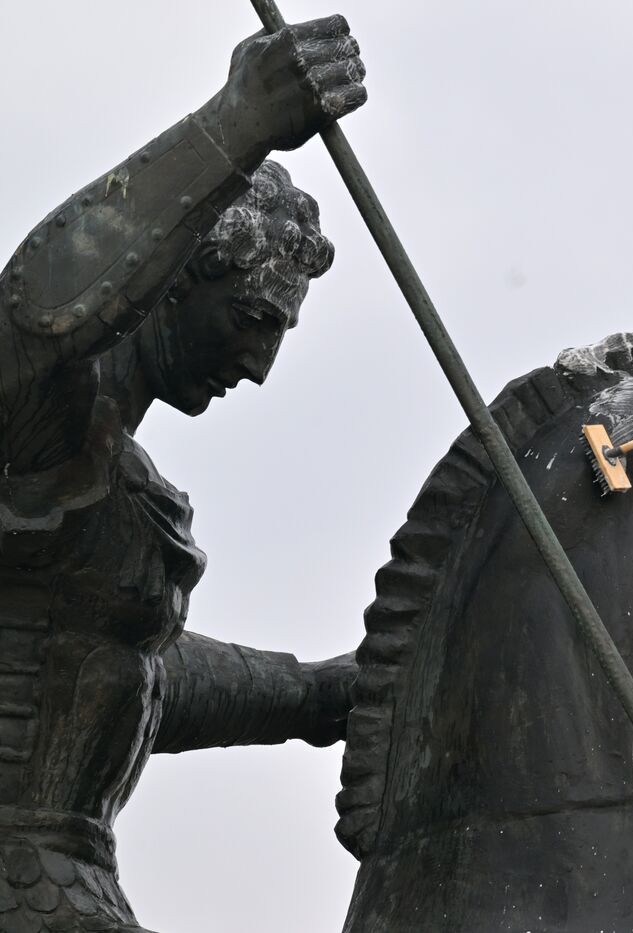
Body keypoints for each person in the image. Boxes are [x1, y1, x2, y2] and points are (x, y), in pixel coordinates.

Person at [0, 16, 365, 931]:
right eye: (249, 317)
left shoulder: (115, 481)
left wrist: (312, 693)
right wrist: (233, 127)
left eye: (278, 334)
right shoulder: (40, 422)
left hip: (67, 897)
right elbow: (34, 312)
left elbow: (131, 676)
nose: (259, 366)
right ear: (177, 275)